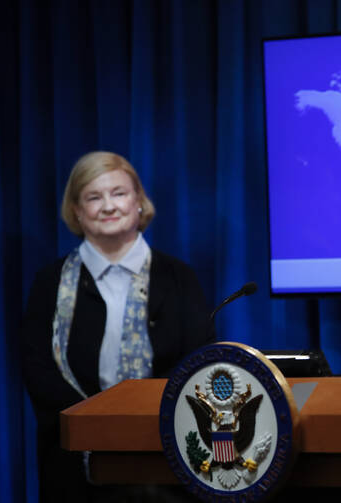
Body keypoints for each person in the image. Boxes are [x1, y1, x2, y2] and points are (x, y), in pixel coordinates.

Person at [21, 151, 213, 502]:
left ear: (139, 202)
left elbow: (197, 364)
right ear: (77, 211)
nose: (108, 206)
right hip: (73, 461)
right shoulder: (49, 282)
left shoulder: (179, 278)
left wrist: (144, 426)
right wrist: (97, 428)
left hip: (168, 461)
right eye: (94, 197)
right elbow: (37, 369)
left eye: (119, 193)